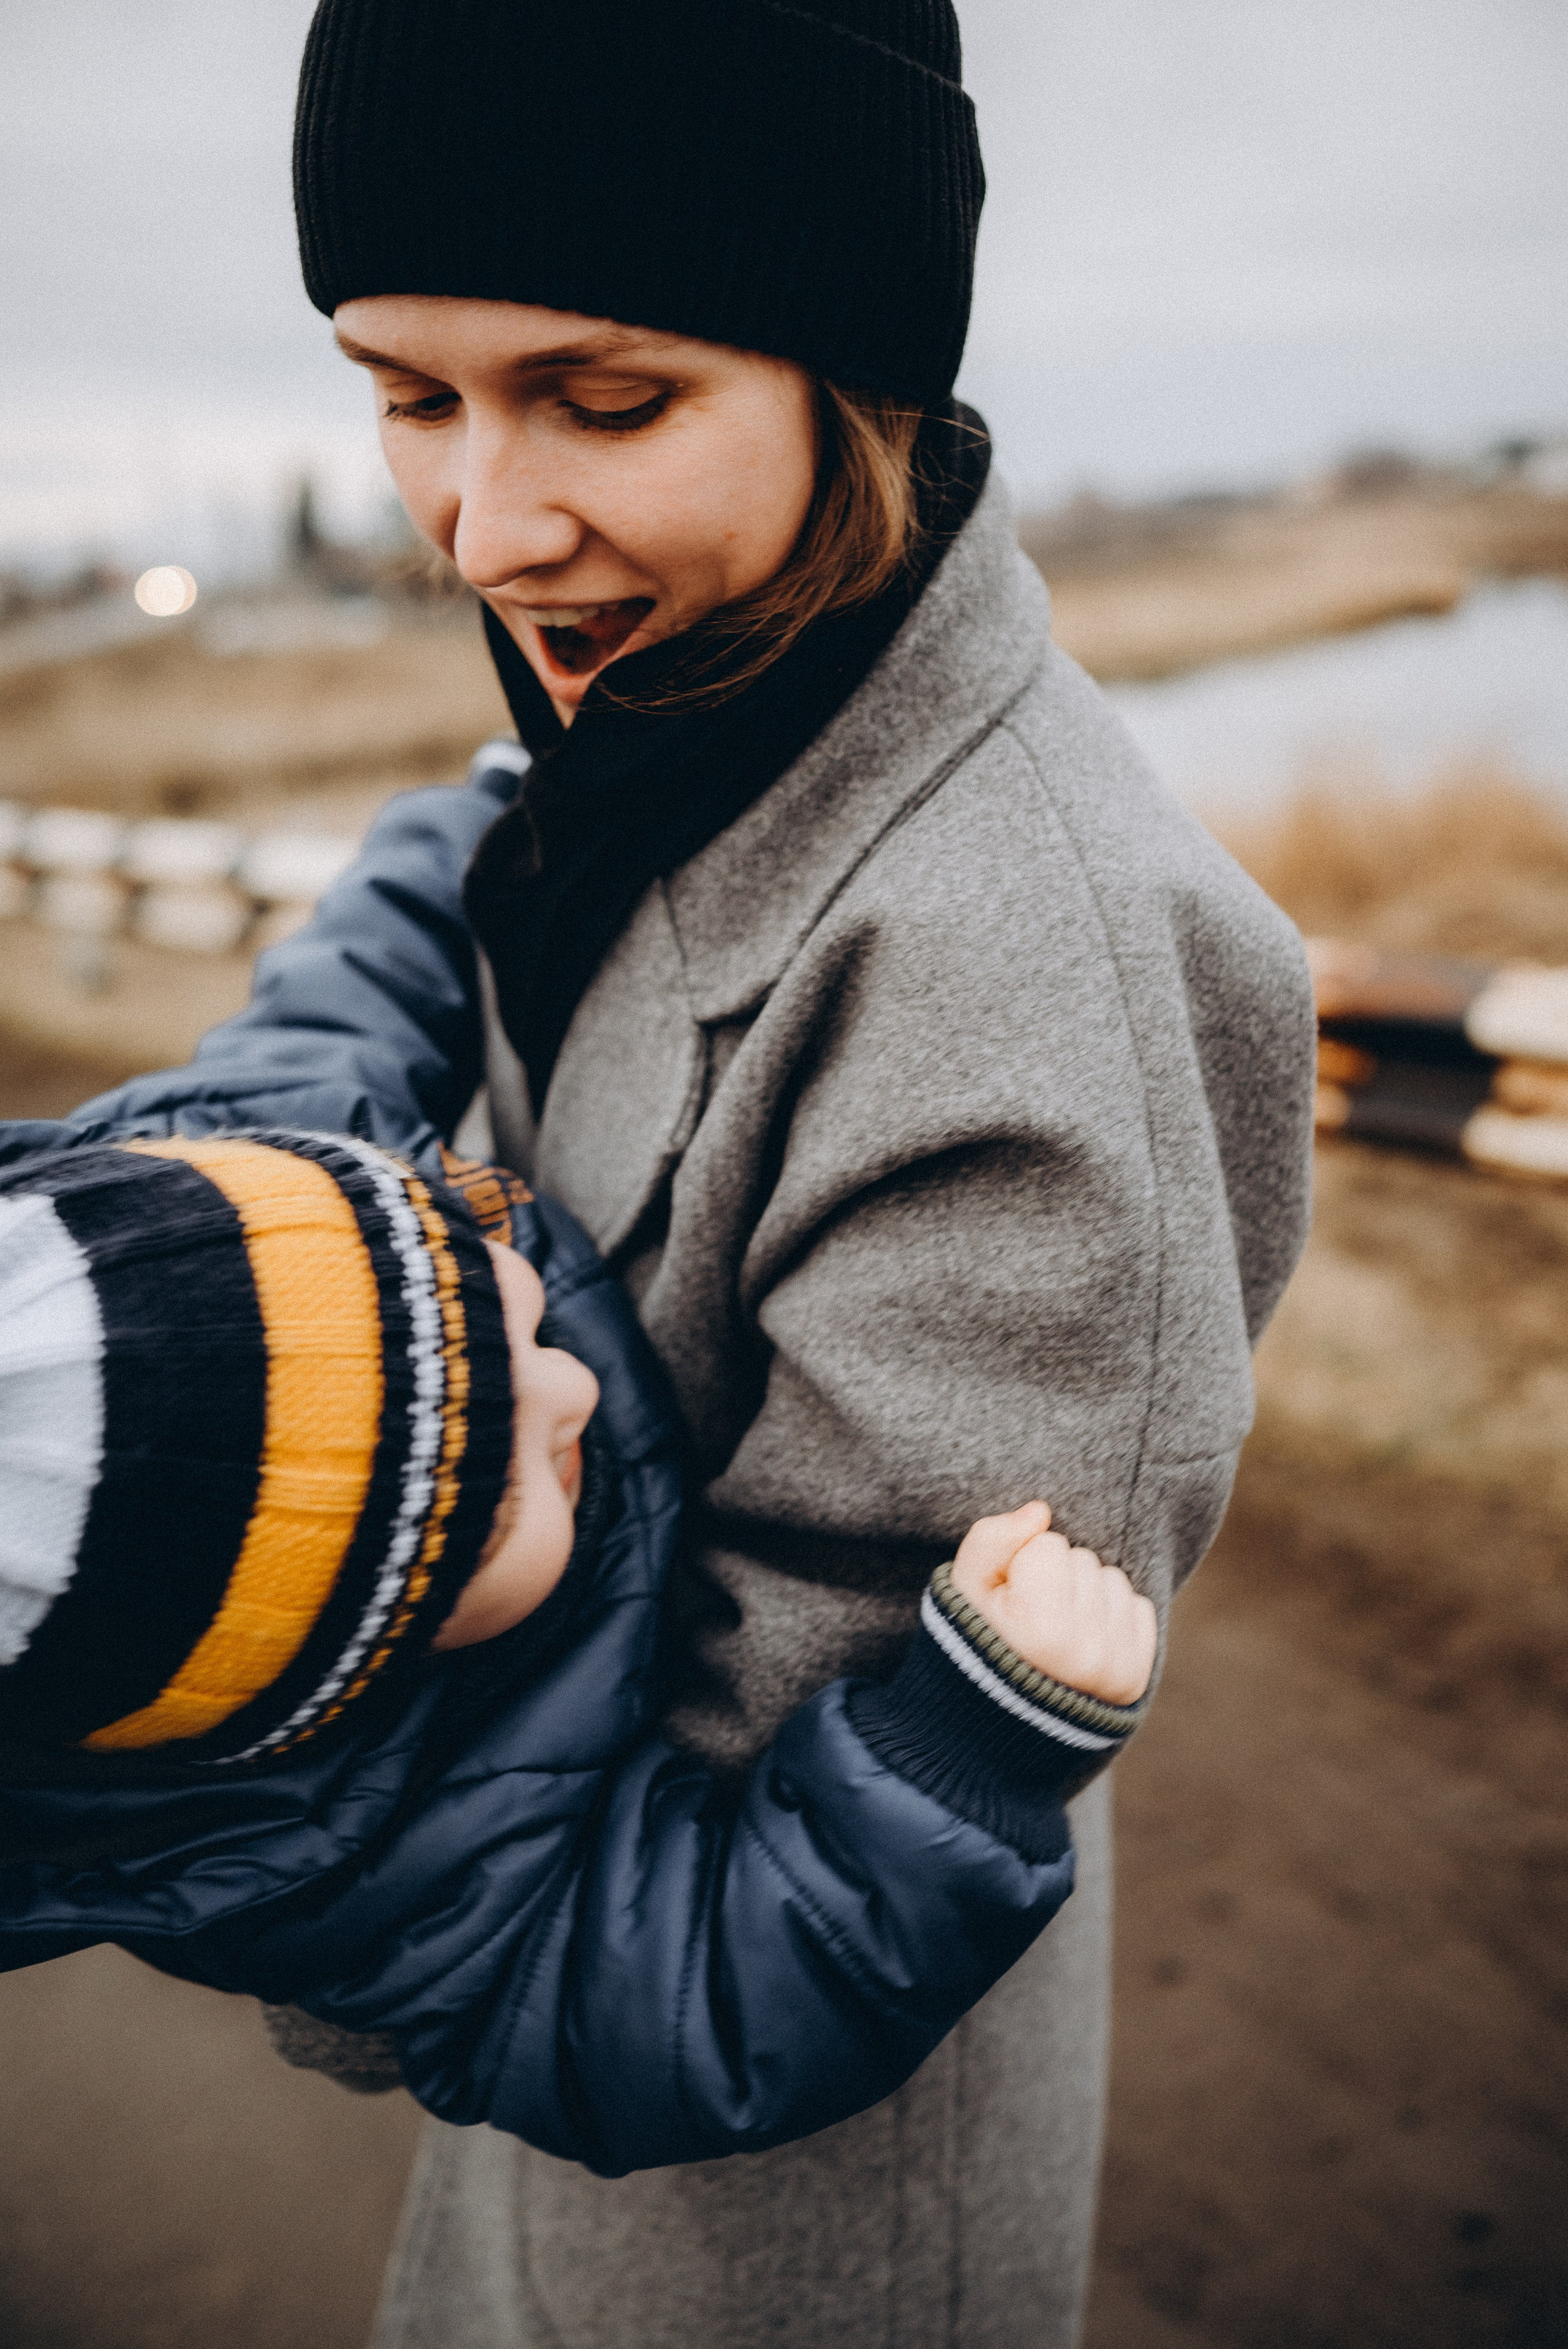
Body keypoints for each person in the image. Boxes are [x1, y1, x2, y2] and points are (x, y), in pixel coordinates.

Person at [78, 0, 1317, 2339]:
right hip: (526, 2157)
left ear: (854, 358)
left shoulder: (1026, 987)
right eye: (406, 393)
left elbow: (757, 1883)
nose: (480, 517)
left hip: (770, 2229)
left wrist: (224, 1703)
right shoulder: (673, 702)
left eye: (605, 397)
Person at [0, 1124, 1155, 2177]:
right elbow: (695, 2024)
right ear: (358, 1662)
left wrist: (425, 881)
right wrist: (967, 1748)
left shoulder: (202, 1201)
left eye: (504, 1307)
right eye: (500, 1492)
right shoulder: (383, 1872)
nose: (574, 1383)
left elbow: (346, 1001)